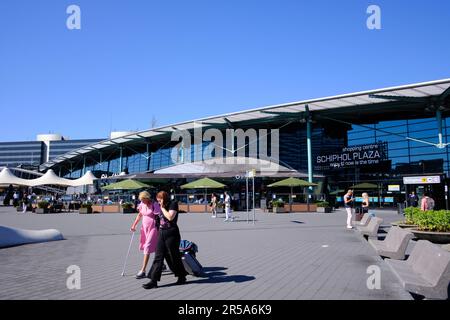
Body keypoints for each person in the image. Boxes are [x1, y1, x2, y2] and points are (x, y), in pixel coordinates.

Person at [143, 191, 187, 289]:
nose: (159, 201)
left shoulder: (173, 204)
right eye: (158, 199)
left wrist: (162, 208)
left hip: (172, 233)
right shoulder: (158, 205)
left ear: (165, 198)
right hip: (161, 233)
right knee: (158, 257)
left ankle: (181, 276)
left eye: (160, 198)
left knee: (173, 256)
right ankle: (153, 280)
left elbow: (170, 217)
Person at [130, 191, 160, 279]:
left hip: (153, 228)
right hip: (144, 228)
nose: (142, 202)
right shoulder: (142, 204)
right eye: (141, 200)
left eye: (144, 200)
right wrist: (134, 225)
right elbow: (139, 215)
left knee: (148, 246)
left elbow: (159, 216)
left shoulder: (154, 204)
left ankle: (143, 270)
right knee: (156, 247)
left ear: (148, 198)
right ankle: (161, 264)